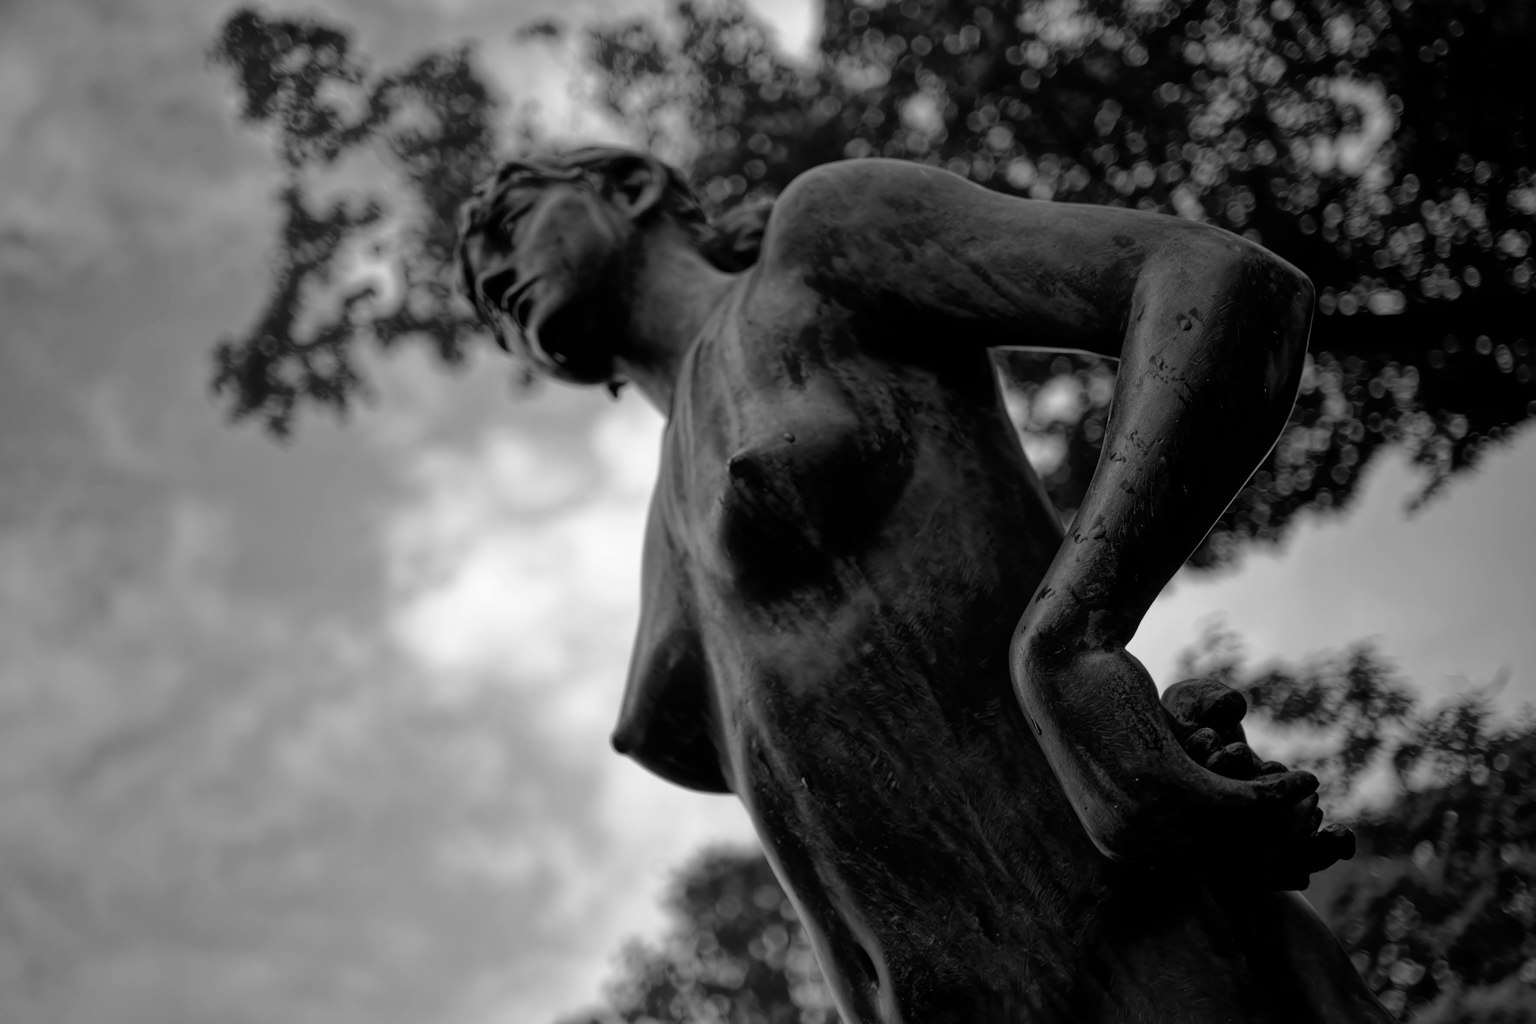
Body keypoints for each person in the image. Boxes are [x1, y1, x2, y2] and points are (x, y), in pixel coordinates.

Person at [457, 148, 1387, 1023]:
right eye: (486, 306)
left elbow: (1219, 285)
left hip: (1159, 957)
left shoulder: (818, 249)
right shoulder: (663, 537)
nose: (497, 284)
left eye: (508, 225)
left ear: (629, 189)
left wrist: (1074, 639)